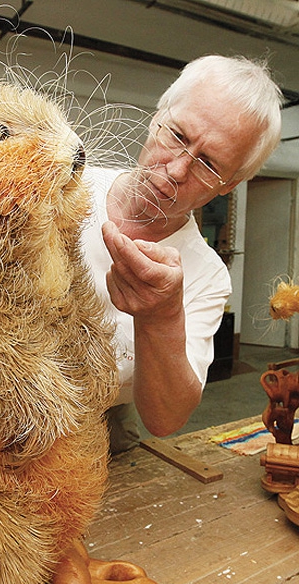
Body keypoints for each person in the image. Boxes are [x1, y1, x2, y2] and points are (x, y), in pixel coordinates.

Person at [81, 54, 283, 453]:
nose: (175, 170)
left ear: (231, 184)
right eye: (176, 135)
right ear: (158, 114)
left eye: (208, 164)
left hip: (96, 426)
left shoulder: (206, 275)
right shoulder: (64, 185)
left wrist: (161, 316)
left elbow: (165, 419)